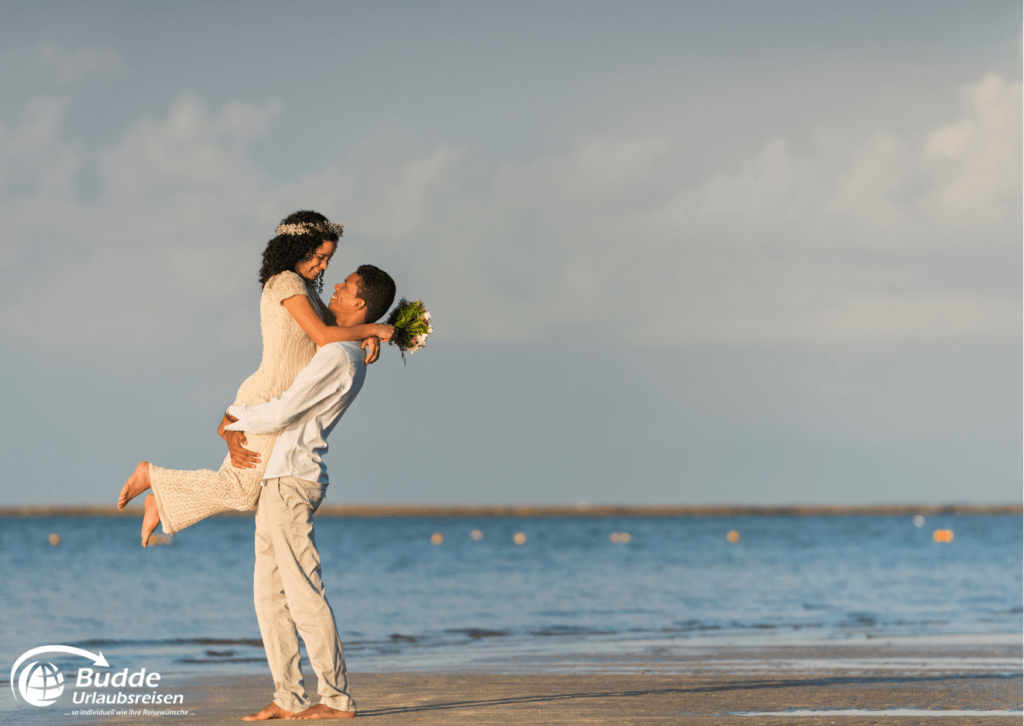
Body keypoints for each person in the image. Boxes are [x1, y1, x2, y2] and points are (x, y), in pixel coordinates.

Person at [117, 211, 394, 545]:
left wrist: (365, 335)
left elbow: (335, 330)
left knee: (239, 487)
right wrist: (374, 328)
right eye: (320, 257)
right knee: (240, 490)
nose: (323, 267)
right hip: (267, 395)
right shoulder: (286, 283)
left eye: (328, 260)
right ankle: (153, 478)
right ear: (299, 247)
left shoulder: (303, 288)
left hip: (274, 396)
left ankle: (160, 500)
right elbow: (322, 335)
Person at [217, 265, 395, 721]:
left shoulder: (339, 357)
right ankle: (289, 696)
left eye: (346, 285)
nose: (334, 285)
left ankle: (336, 699)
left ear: (361, 304)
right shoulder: (343, 346)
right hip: (279, 477)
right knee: (268, 594)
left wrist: (233, 416)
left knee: (302, 592)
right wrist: (367, 333)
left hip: (292, 479)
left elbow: (285, 411)